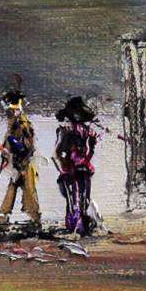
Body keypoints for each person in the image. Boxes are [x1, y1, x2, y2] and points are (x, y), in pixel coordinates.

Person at [0, 85, 43, 233]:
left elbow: (26, 145)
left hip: (23, 162)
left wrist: (19, 163)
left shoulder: (19, 121)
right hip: (19, 161)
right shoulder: (17, 119)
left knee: (27, 189)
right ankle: (6, 213)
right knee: (15, 186)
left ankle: (33, 218)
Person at [53, 96, 102, 237]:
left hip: (80, 170)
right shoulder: (67, 131)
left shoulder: (84, 131)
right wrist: (65, 169)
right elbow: (57, 153)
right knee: (76, 199)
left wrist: (91, 144)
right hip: (74, 170)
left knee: (81, 199)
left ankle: (79, 226)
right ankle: (77, 227)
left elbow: (88, 153)